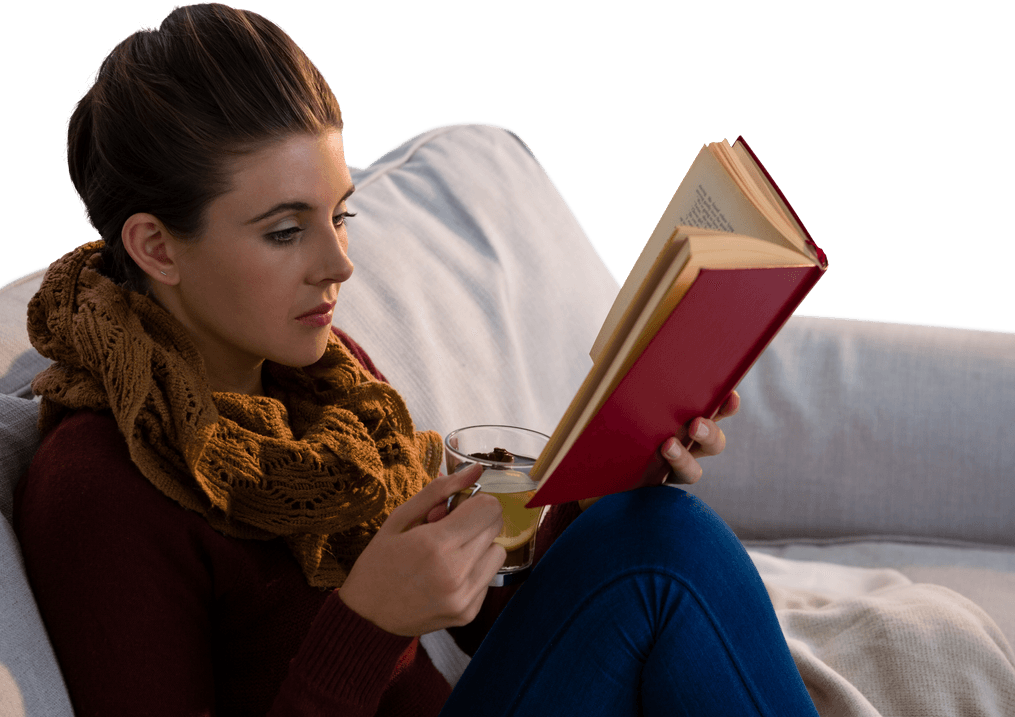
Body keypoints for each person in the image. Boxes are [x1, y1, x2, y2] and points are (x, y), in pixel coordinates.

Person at [13, 4, 819, 715]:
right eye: (285, 231)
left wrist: (608, 481)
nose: (338, 264)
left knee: (652, 527)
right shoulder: (99, 491)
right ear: (156, 247)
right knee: (668, 559)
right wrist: (366, 625)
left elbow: (484, 623)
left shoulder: (326, 382)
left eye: (341, 215)